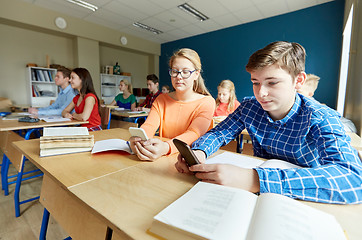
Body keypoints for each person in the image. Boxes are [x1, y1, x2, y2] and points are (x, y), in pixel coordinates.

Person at [175, 41, 362, 204]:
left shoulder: (321, 116)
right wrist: (199, 151)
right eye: (255, 82)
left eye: (272, 83)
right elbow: (218, 133)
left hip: (302, 198)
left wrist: (255, 179)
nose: (261, 93)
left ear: (298, 81)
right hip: (251, 196)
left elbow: (354, 179)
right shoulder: (250, 107)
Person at [129, 48, 215, 161]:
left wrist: (166, 147)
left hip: (188, 159)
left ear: (196, 74)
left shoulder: (207, 102)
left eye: (185, 72)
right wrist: (139, 141)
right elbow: (149, 126)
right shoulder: (161, 99)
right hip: (163, 158)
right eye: (175, 71)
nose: (179, 76)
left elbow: (194, 133)